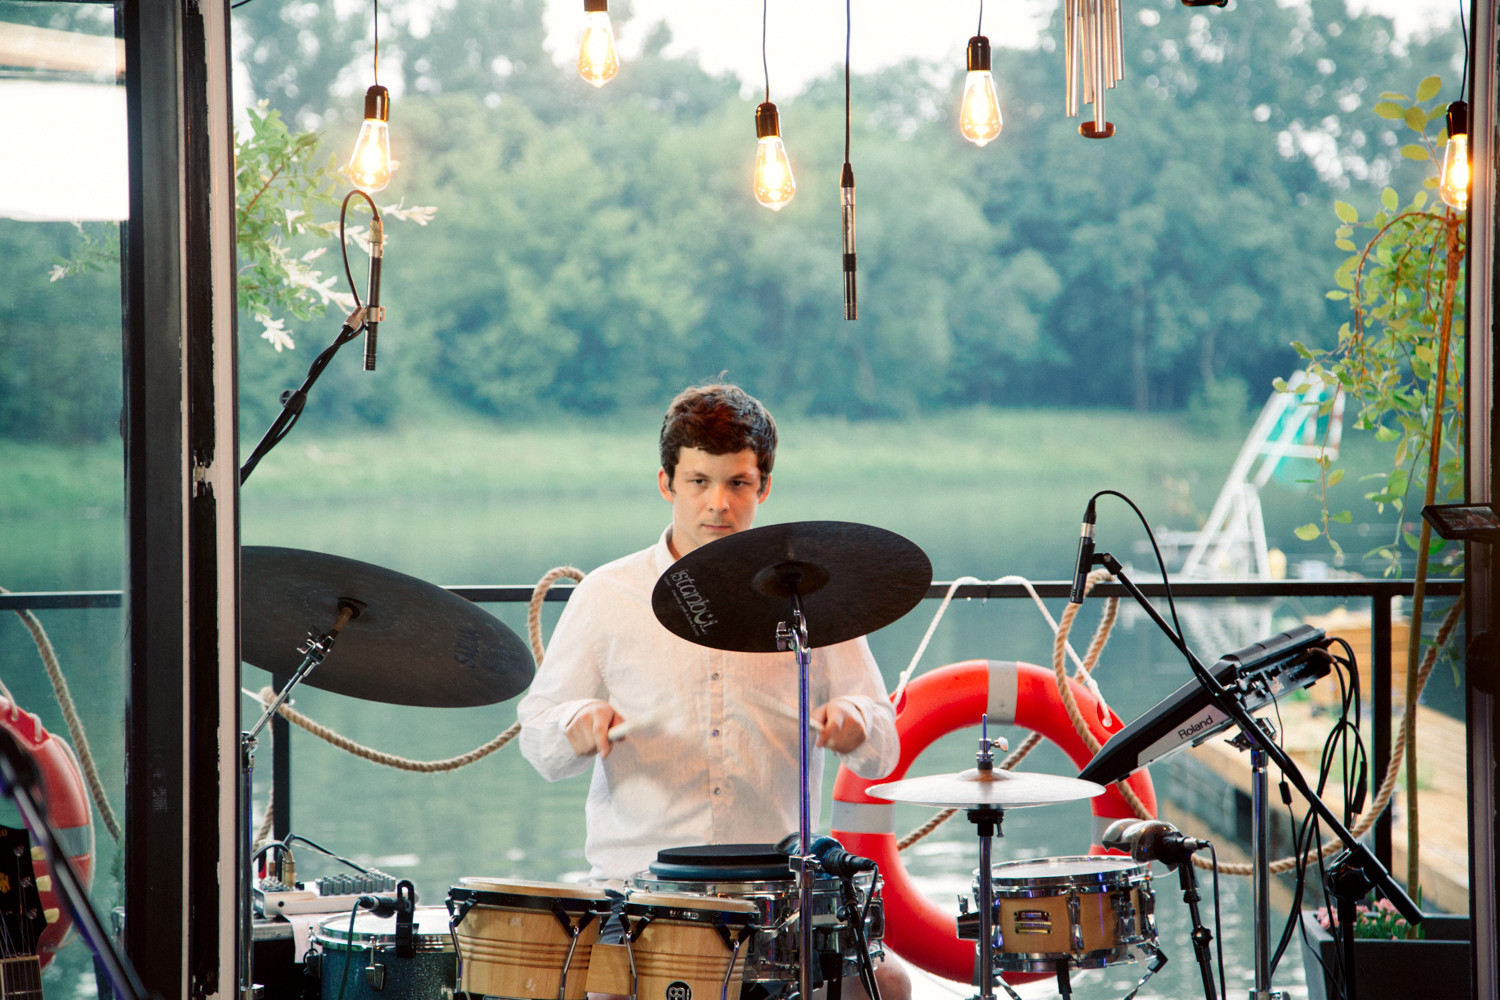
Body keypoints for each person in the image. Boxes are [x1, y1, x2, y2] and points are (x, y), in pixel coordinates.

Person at [517, 381, 910, 1000]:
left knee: (887, 984)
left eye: (738, 483)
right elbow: (539, 743)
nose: (718, 504)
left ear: (765, 487)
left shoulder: (810, 596)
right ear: (666, 483)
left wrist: (856, 721)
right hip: (639, 896)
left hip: (776, 899)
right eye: (699, 481)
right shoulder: (606, 596)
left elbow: (882, 748)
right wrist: (575, 725)